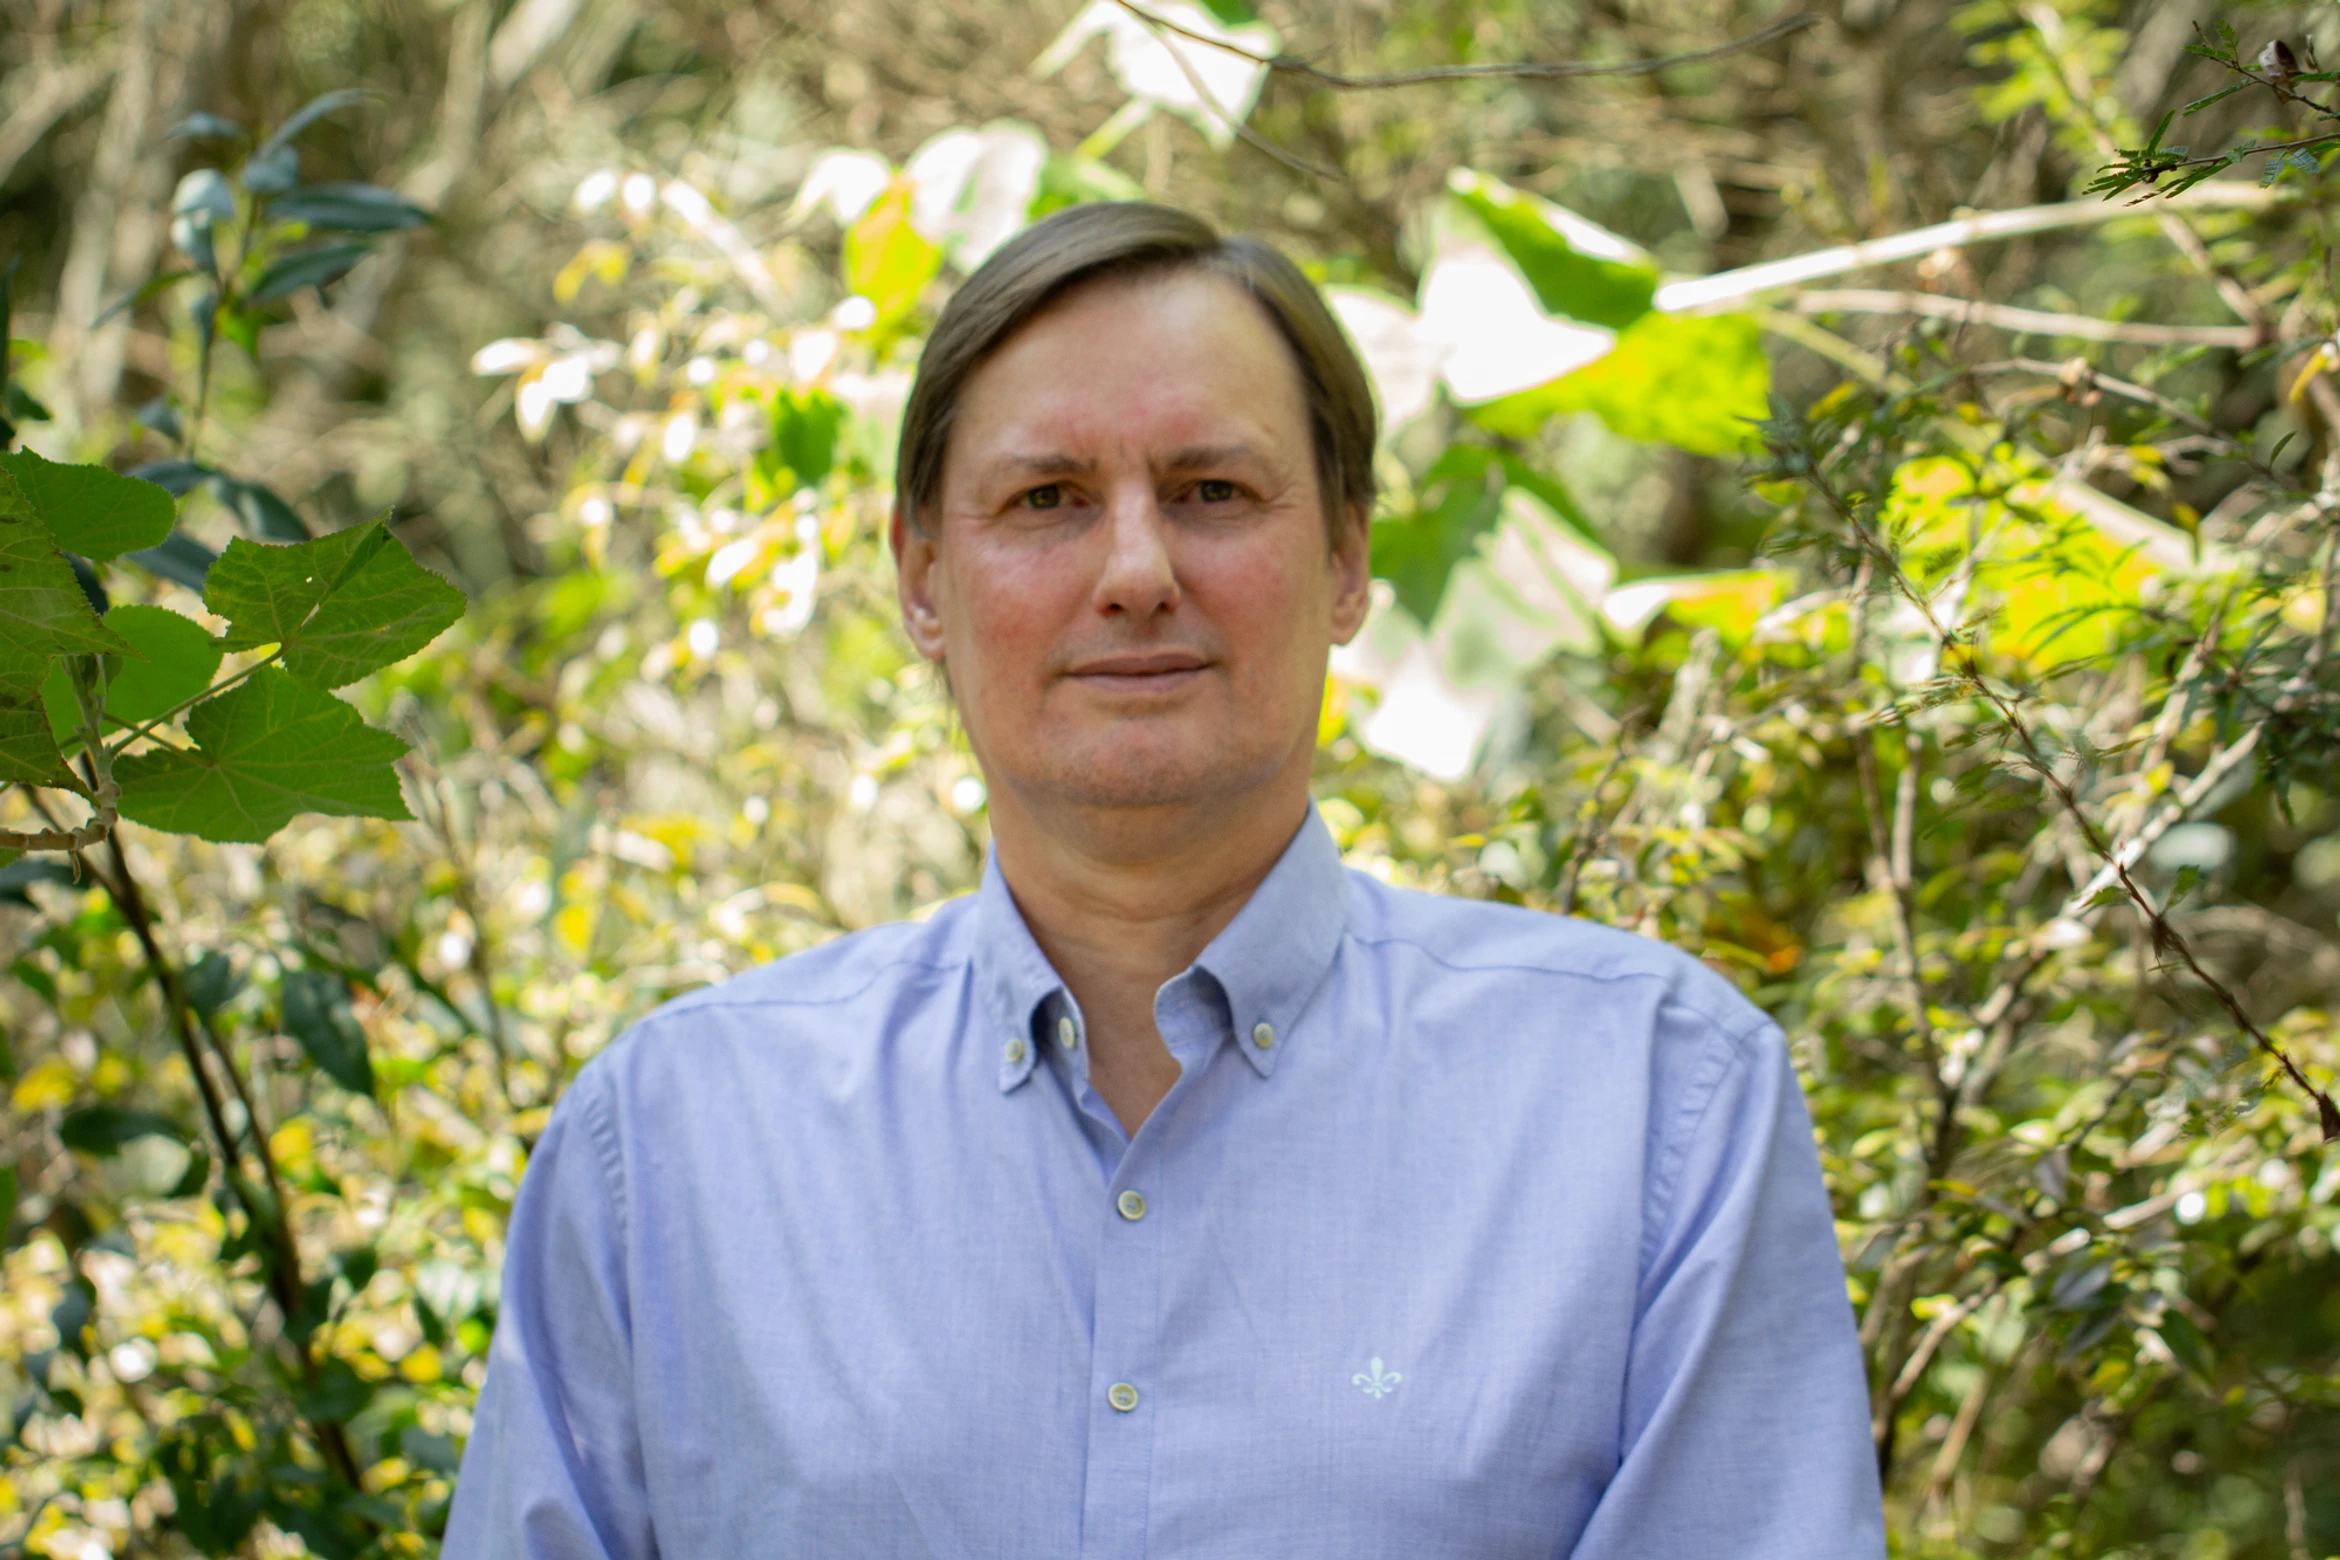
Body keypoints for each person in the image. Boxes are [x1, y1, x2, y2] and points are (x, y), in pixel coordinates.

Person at [445, 202, 1886, 1558]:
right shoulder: (676, 1148)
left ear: (1343, 559)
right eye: (1049, 497)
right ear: (925, 578)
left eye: (1211, 490)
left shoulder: (1650, 1102)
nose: (1135, 569)